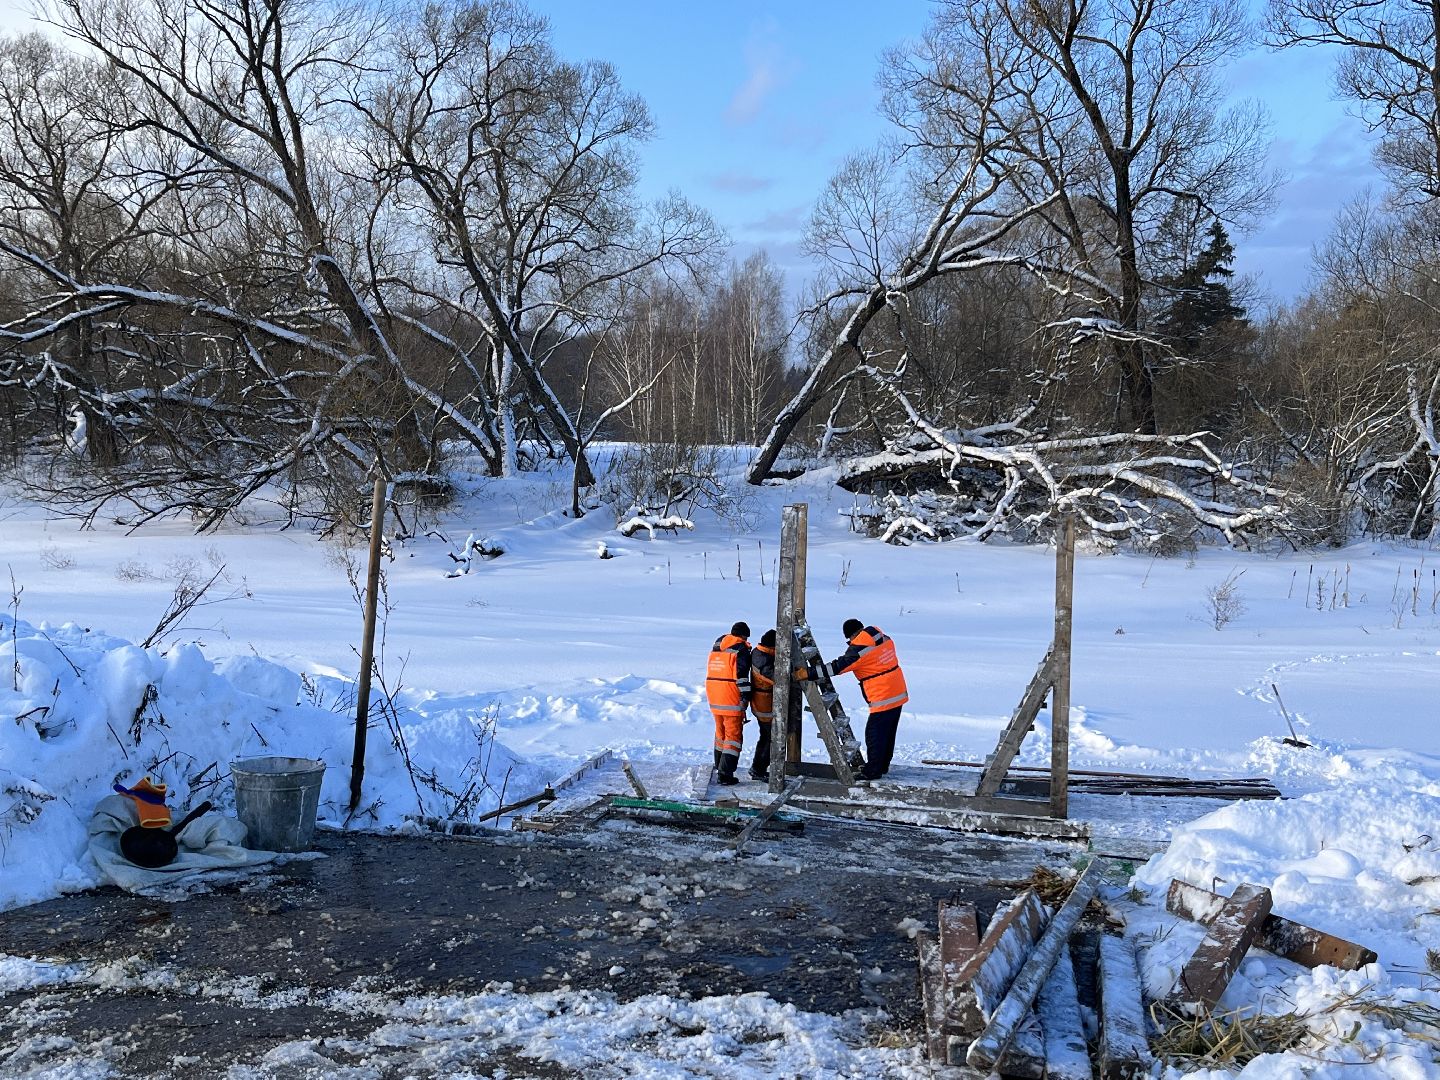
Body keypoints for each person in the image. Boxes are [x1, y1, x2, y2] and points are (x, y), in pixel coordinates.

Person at [804, 619, 908, 785]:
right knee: (888, 732)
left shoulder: (859, 650)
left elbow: (837, 667)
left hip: (882, 694)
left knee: (874, 734)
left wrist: (809, 673)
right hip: (897, 690)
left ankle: (873, 771)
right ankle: (883, 765)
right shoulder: (880, 636)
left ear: (851, 636)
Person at [706, 621, 752, 785]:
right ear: (743, 636)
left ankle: (719, 766)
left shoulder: (717, 648)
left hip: (714, 695)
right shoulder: (740, 650)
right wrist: (746, 696)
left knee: (720, 734)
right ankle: (725, 775)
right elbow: (741, 677)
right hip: (730, 698)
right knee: (733, 737)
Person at [747, 629, 777, 780]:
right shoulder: (763, 659)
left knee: (766, 736)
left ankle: (758, 768)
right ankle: (758, 769)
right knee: (769, 737)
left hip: (762, 701)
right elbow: (775, 678)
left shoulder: (759, 653)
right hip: (764, 703)